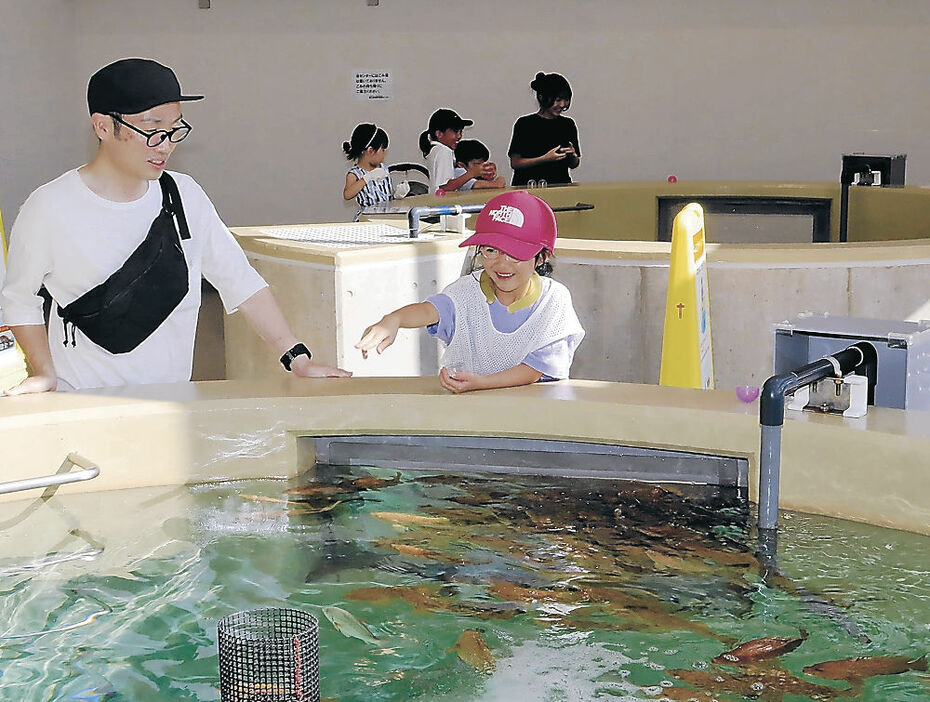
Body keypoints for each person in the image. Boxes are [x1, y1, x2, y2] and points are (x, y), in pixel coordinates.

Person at [0, 57, 350, 394]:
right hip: (85, 402)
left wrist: (296, 358)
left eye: (173, 129)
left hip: (173, 402)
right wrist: (45, 372)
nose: (165, 145)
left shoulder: (184, 196)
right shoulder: (49, 207)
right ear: (103, 126)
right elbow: (19, 297)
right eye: (152, 129)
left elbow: (239, 280)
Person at [355, 191, 584, 393]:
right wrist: (393, 319)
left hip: (530, 418)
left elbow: (535, 369)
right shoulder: (467, 291)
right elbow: (430, 310)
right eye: (490, 250)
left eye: (515, 254)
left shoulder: (554, 301)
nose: (501, 264)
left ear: (541, 257)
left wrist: (482, 383)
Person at [508, 72, 581, 187]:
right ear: (542, 98)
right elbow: (515, 163)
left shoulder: (568, 124)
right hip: (529, 186)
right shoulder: (525, 124)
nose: (562, 104)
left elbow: (574, 164)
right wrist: (544, 159)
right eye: (558, 100)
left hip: (560, 186)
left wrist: (573, 155)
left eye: (565, 99)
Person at [341, 123, 410, 209]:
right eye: (382, 150)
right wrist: (366, 178)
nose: (384, 154)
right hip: (368, 219)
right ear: (370, 150)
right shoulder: (355, 174)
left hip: (387, 215)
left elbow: (387, 192)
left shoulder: (383, 168)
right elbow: (347, 195)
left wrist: (396, 194)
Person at [418, 109, 485, 194]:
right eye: (455, 131)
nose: (459, 136)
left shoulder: (435, 150)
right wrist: (471, 173)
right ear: (439, 134)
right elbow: (444, 187)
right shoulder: (444, 151)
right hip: (443, 205)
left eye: (461, 131)